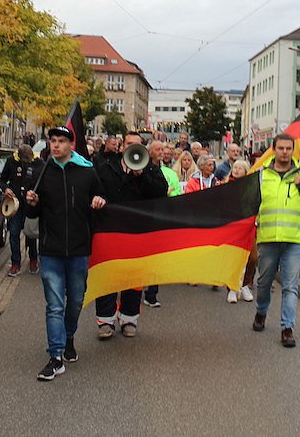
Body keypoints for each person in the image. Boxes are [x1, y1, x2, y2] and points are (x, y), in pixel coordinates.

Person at [25, 127, 106, 381]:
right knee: (55, 305)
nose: (56, 145)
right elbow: (32, 213)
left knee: (76, 301)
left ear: (71, 144)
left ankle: (69, 335)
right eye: (53, 141)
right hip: (51, 250)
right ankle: (56, 357)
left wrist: (99, 201)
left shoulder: (87, 172)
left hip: (79, 250)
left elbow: (101, 197)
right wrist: (32, 203)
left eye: (61, 141)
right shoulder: (43, 172)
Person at [94, 131, 168, 338]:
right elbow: (95, 189)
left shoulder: (150, 169)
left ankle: (128, 318)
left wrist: (142, 175)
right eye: (128, 143)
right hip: (110, 230)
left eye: (137, 144)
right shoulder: (106, 167)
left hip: (137, 232)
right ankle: (105, 321)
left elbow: (161, 192)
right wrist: (98, 198)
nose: (132, 147)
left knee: (133, 277)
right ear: (122, 146)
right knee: (108, 276)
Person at [252, 133, 300, 348]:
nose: (284, 152)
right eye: (281, 148)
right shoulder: (261, 175)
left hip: (293, 240)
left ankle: (287, 328)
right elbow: (249, 203)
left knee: (290, 287)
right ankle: (261, 312)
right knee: (263, 283)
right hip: (268, 239)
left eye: (288, 149)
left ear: (293, 151)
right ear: (273, 150)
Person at [143, 140, 182, 308]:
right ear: (149, 151)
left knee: (155, 257)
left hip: (158, 217)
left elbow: (163, 189)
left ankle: (152, 294)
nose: (161, 152)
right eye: (157, 149)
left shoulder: (161, 170)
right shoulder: (142, 168)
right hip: (143, 217)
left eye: (162, 149)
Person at [0, 144, 44, 276]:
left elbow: (44, 183)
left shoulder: (39, 163)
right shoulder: (11, 162)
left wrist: (37, 197)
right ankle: (15, 263)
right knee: (14, 234)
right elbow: (2, 180)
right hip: (16, 205)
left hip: (31, 206)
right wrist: (6, 189)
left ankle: (33, 260)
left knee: (30, 234)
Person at [223, 158, 254, 304]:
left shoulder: (251, 188)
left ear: (246, 172)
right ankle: (232, 288)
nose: (236, 170)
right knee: (234, 258)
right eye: (235, 167)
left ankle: (245, 284)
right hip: (233, 227)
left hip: (249, 227)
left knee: (253, 257)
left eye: (240, 168)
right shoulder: (226, 186)